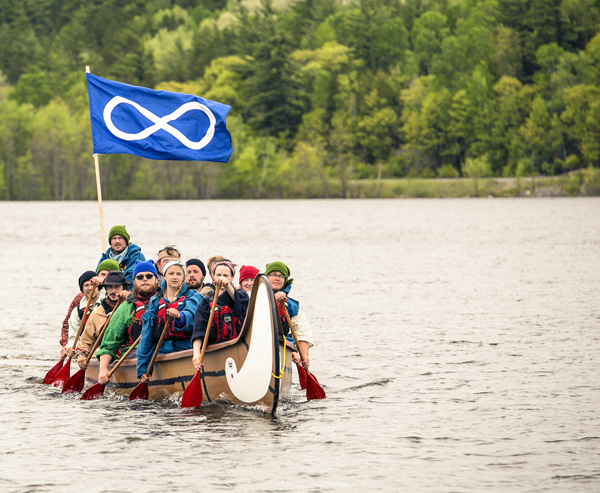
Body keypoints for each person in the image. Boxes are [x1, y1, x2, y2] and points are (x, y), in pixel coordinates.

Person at [95, 260, 160, 385]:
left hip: (162, 351)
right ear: (134, 281)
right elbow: (109, 344)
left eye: (149, 276)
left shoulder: (165, 302)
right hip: (134, 353)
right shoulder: (125, 308)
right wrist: (103, 369)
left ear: (156, 280)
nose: (144, 279)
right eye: (140, 277)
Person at [136, 260, 202, 382]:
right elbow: (146, 336)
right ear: (164, 276)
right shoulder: (155, 301)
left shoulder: (192, 296)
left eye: (179, 274)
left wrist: (179, 316)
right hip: (162, 349)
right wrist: (141, 370)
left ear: (183, 277)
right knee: (150, 352)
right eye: (171, 273)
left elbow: (192, 315)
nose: (175, 277)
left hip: (186, 346)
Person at [191, 261, 249, 370]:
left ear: (232, 277)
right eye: (218, 275)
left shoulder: (241, 295)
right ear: (213, 276)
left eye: (225, 275)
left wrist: (227, 286)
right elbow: (198, 330)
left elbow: (240, 308)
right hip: (216, 352)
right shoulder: (205, 304)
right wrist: (196, 354)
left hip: (237, 349)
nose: (221, 278)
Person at [76, 271, 130, 369]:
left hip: (129, 353)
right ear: (105, 289)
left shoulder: (132, 308)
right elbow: (85, 341)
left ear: (124, 288)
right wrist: (81, 355)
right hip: (104, 355)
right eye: (110, 287)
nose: (113, 291)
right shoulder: (97, 314)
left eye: (117, 287)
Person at [265, 261, 314, 369]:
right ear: (266, 277)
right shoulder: (254, 298)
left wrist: (304, 355)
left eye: (281, 276)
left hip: (282, 345)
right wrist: (273, 298)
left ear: (285, 280)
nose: (277, 278)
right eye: (273, 274)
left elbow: (302, 331)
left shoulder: (292, 306)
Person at [65, 270, 105, 358]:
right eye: (86, 285)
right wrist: (70, 348)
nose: (90, 288)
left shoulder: (107, 303)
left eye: (92, 284)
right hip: (87, 351)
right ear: (82, 289)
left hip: (105, 349)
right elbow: (73, 337)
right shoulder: (77, 312)